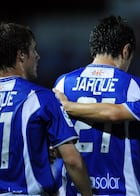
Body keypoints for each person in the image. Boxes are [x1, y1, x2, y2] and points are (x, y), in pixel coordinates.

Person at [53, 15, 140, 195]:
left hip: (74, 190)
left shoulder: (63, 84)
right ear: (126, 51)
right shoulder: (136, 87)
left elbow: (53, 146)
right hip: (122, 190)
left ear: (94, 48)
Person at [0, 22, 92, 195]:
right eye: (33, 50)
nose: (38, 56)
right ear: (21, 55)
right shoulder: (41, 98)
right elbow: (72, 160)